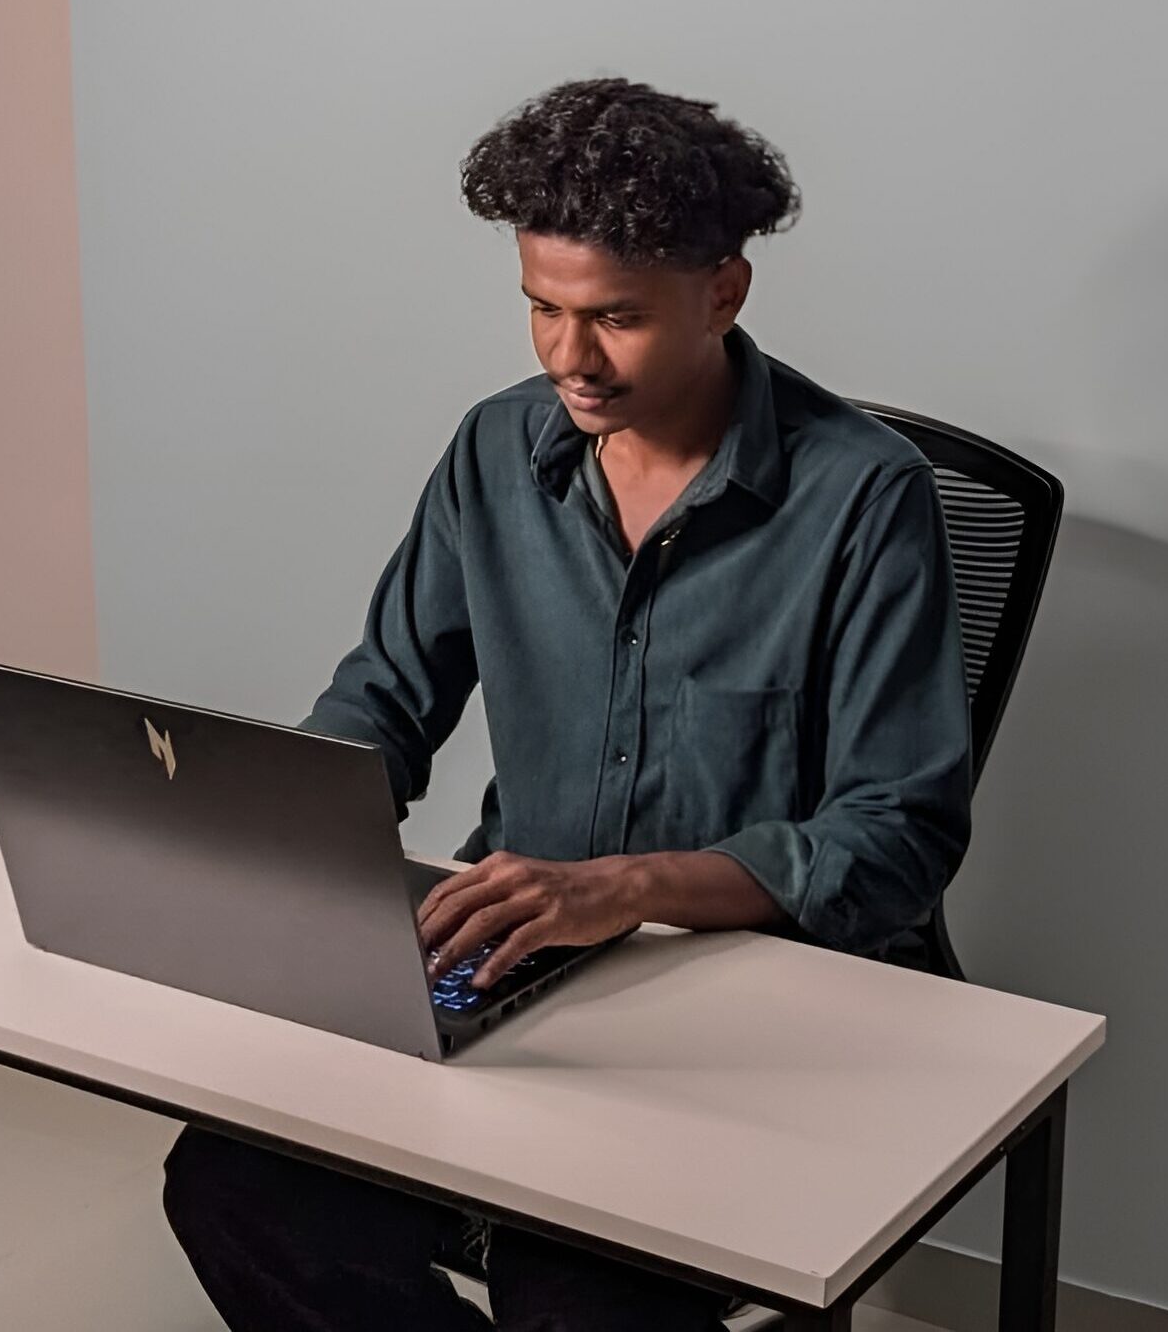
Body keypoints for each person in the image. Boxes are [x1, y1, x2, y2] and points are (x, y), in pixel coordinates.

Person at [161, 76, 973, 1330]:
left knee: (574, 1299)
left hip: (753, 996)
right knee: (231, 1185)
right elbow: (383, 698)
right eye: (541, 307)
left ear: (723, 290)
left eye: (615, 318)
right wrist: (274, 828)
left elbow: (897, 837)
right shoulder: (494, 452)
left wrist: (629, 886)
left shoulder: (865, 497)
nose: (567, 358)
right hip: (512, 960)